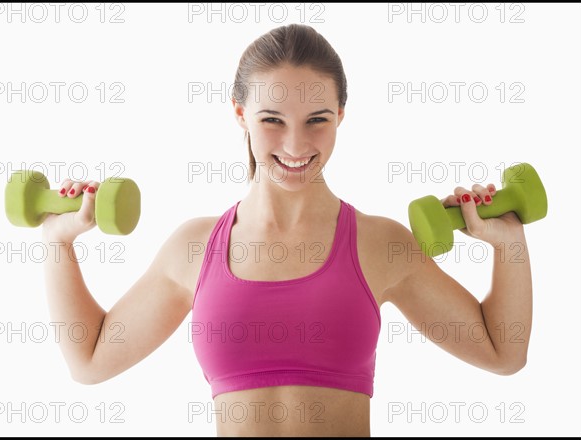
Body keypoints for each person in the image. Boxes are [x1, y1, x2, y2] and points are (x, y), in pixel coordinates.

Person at [42, 24, 532, 437]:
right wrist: (57, 241)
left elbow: (502, 352)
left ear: (341, 114)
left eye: (317, 120)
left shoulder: (380, 243)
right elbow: (88, 361)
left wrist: (508, 244)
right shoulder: (195, 248)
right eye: (272, 119)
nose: (295, 144)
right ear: (240, 114)